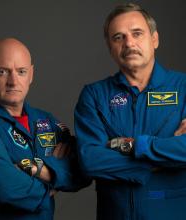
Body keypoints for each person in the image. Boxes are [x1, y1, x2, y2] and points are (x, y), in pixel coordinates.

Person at [75, 3, 186, 220]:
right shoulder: (94, 95)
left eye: (137, 33)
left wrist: (135, 146)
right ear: (110, 46)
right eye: (118, 37)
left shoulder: (183, 88)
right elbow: (91, 160)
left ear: (154, 39)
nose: (129, 43)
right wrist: (164, 157)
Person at [0, 38, 89, 220]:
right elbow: (4, 188)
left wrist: (42, 171)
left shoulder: (46, 121)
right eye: (2, 72)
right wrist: (52, 185)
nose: (13, 82)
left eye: (21, 72)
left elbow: (85, 170)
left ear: (31, 75)